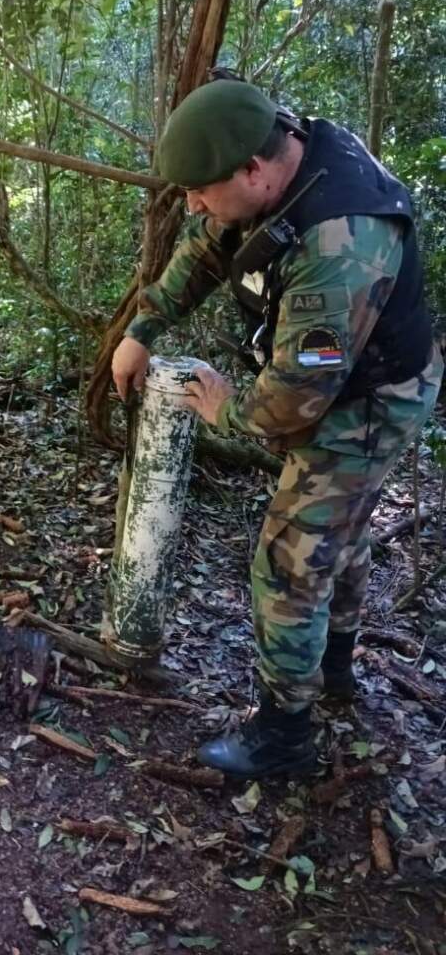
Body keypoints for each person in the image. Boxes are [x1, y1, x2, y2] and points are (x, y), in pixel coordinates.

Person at [112, 78, 443, 780]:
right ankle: (333, 671)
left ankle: (284, 737)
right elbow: (209, 242)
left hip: (372, 399)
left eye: (202, 191)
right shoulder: (278, 161)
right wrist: (144, 327)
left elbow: (290, 404)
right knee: (339, 535)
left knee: (290, 560)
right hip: (346, 378)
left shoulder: (340, 246)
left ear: (253, 171)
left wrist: (222, 408)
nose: (195, 206)